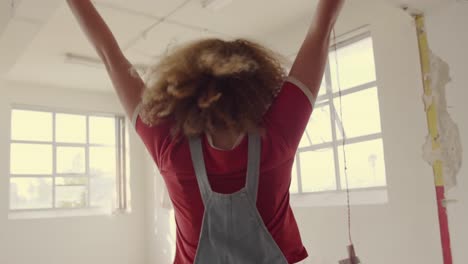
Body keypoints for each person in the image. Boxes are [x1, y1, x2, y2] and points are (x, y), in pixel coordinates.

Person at [67, 0, 344, 263]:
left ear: (187, 91)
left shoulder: (170, 147)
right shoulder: (277, 136)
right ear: (255, 87)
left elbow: (110, 55)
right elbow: (321, 29)